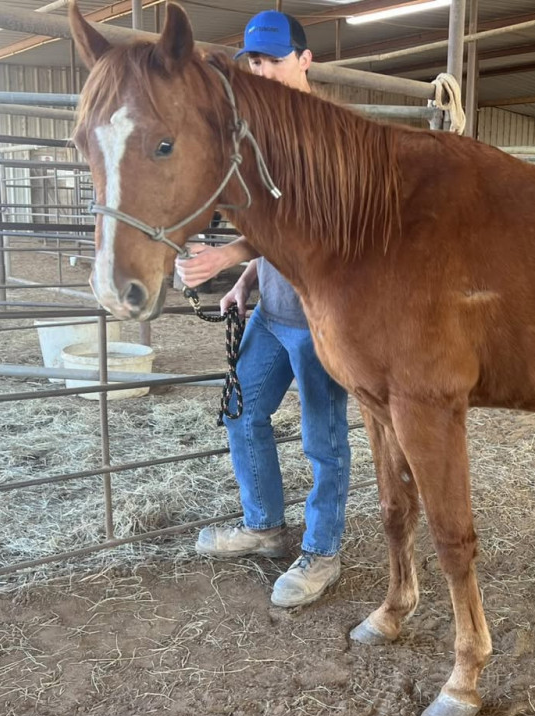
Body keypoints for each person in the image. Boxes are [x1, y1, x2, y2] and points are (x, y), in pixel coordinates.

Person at [175, 10, 351, 608]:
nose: (262, 71)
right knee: (242, 412)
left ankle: (322, 550)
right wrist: (248, 279)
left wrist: (225, 256)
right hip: (273, 312)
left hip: (322, 316)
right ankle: (266, 527)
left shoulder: (328, 135)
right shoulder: (263, 131)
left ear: (305, 60)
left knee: (323, 439)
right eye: (254, 61)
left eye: (274, 59)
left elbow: (301, 223)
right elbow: (272, 225)